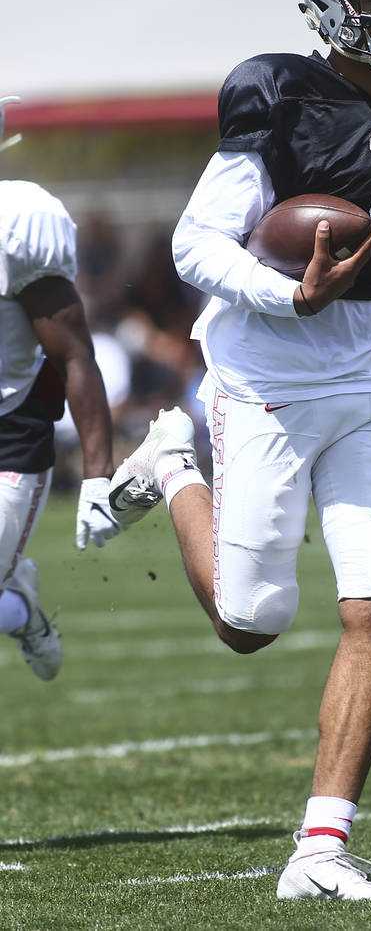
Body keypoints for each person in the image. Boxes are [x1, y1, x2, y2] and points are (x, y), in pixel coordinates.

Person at [108, 0, 371, 901]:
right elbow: (196, 245)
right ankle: (169, 462)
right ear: (329, 3)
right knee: (250, 619)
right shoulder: (275, 92)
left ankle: (319, 850)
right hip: (265, 373)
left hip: (369, 375)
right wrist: (289, 295)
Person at [0, 95, 122, 680]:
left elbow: (73, 352)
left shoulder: (17, 222)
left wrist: (98, 476)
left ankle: (20, 608)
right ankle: (16, 603)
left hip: (8, 441)